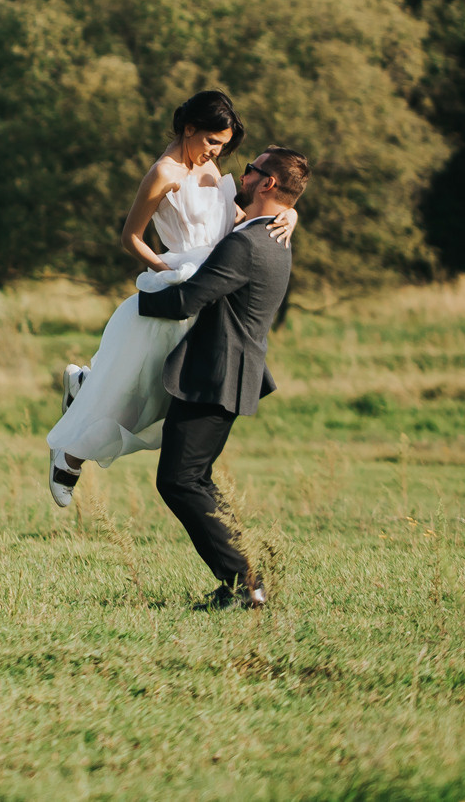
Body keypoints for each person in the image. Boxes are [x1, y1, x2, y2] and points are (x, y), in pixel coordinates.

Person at [44, 91, 292, 506]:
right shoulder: (163, 173)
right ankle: (67, 457)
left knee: (161, 398)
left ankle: (83, 385)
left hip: (209, 293)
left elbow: (236, 224)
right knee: (134, 396)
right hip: (177, 285)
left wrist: (290, 212)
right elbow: (131, 238)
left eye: (223, 145)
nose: (216, 152)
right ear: (189, 129)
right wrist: (168, 271)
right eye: (211, 141)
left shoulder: (211, 171)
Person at [136, 145, 309, 608]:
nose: (242, 174)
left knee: (179, 480)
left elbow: (187, 301)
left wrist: (137, 300)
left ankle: (244, 584)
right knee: (197, 479)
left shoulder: (247, 243)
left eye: (251, 169)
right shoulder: (269, 234)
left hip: (215, 372)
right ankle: (246, 578)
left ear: (268, 183)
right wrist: (295, 215)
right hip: (228, 371)